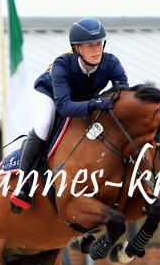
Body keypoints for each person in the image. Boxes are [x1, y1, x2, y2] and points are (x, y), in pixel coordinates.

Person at [10, 17, 129, 212]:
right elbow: (64, 106)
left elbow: (124, 94)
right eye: (90, 46)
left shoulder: (111, 62)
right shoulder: (62, 65)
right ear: (77, 48)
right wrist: (95, 103)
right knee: (45, 124)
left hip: (84, 99)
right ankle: (23, 184)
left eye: (99, 44)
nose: (96, 50)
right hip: (51, 95)